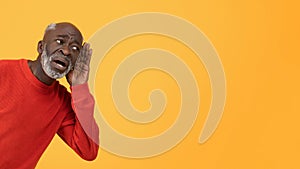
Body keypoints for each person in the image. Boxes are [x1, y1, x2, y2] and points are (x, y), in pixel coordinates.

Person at [0, 22, 99, 169]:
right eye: (60, 41)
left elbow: (88, 151)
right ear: (41, 47)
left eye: (75, 48)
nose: (66, 51)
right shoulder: (4, 72)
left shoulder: (62, 102)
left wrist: (80, 88)